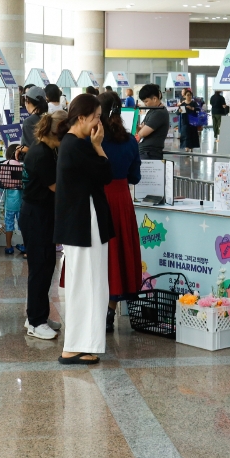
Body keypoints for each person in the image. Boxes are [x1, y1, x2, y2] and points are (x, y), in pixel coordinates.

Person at [54, 94, 113, 365]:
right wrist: (98, 146)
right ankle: (74, 346)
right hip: (83, 223)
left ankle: (82, 344)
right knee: (86, 285)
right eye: (96, 117)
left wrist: (96, 145)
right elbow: (106, 174)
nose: (99, 123)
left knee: (90, 283)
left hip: (83, 222)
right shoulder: (77, 145)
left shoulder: (74, 144)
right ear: (81, 118)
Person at [97, 92, 142, 332]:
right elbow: (135, 176)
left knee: (99, 252)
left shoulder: (93, 139)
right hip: (122, 199)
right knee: (119, 252)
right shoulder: (130, 141)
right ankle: (110, 311)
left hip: (98, 198)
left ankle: (94, 308)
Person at [21, 112, 65, 339]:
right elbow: (56, 187)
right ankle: (35, 322)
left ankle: (37, 314)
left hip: (41, 213)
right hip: (35, 215)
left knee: (46, 266)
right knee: (40, 268)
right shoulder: (42, 154)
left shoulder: (45, 149)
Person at [1, 146, 25, 256]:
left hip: (9, 204)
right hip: (20, 203)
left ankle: (8, 247)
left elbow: (2, 184)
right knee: (23, 225)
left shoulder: (4, 165)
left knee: (9, 224)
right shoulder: (20, 166)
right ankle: (25, 244)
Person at [136, 84, 169, 161]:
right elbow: (139, 130)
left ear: (154, 99)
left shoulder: (159, 112)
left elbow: (142, 133)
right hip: (145, 152)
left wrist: (140, 130)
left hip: (150, 153)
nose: (145, 104)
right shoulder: (152, 111)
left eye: (146, 101)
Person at [21, 86, 49, 150]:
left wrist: (20, 149)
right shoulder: (48, 118)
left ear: (27, 101)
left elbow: (31, 149)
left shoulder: (28, 122)